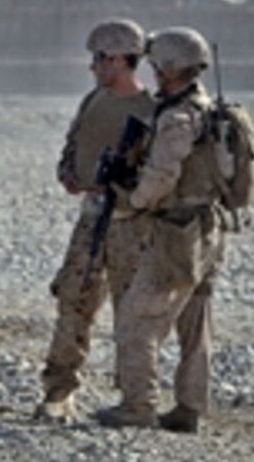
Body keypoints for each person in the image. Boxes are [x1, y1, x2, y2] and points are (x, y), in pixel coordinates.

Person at [97, 27, 226, 433]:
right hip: (209, 228)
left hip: (178, 231)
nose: (153, 72)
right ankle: (190, 407)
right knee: (194, 320)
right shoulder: (209, 109)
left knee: (136, 317)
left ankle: (138, 405)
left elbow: (162, 175)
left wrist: (131, 203)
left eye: (157, 65)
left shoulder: (178, 117)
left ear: (172, 68)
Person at [35, 19, 155, 423]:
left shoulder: (150, 111)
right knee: (74, 299)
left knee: (131, 308)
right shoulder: (94, 100)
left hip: (130, 223)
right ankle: (59, 390)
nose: (94, 67)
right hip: (91, 215)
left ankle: (134, 397)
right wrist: (69, 171)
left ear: (121, 60)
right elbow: (73, 141)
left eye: (100, 59)